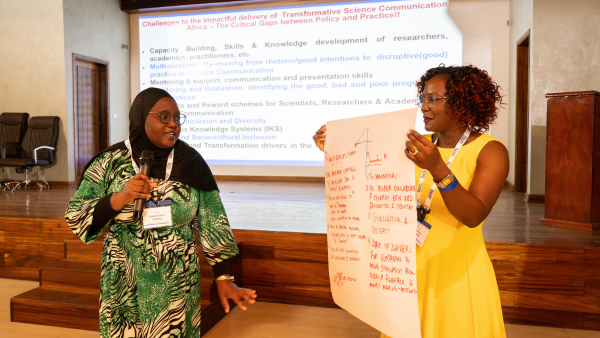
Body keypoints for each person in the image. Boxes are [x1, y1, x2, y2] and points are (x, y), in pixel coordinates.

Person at [313, 65, 508, 338]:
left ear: (462, 103)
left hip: (455, 274)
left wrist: (439, 169)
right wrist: (335, 148)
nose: (424, 107)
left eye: (433, 99)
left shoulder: (490, 150)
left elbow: (473, 215)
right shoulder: (415, 143)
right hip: (407, 268)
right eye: (423, 98)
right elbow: (371, 181)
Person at [65, 88, 256, 338]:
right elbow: (76, 214)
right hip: (124, 278)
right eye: (164, 117)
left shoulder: (191, 161)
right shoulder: (109, 162)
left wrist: (223, 277)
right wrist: (119, 198)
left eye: (177, 118)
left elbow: (213, 221)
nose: (173, 125)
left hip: (176, 280)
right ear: (141, 117)